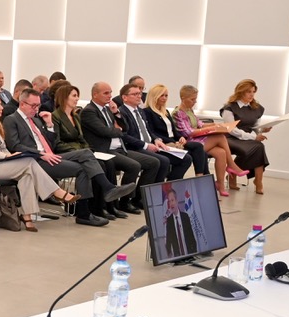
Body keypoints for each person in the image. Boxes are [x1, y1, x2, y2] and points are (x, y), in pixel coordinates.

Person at [5, 88, 131, 227]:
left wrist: (49, 125)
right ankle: (85, 212)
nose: (36, 109)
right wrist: (40, 154)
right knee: (84, 169)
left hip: (50, 156)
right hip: (34, 161)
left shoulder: (36, 120)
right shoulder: (11, 120)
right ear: (22, 104)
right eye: (33, 105)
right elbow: (15, 146)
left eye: (38, 105)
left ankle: (106, 189)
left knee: (86, 153)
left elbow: (51, 144)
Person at [0, 96, 77, 232]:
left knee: (27, 176)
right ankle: (57, 192)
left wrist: (12, 156)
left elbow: (3, 148)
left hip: (1, 163)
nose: (2, 108)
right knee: (29, 162)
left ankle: (27, 216)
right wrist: (7, 156)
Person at [81, 81, 162, 213]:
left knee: (153, 162)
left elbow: (125, 128)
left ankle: (137, 199)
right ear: (95, 95)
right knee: (134, 166)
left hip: (120, 148)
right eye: (106, 93)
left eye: (110, 93)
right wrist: (118, 130)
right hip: (105, 150)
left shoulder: (108, 109)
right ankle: (124, 202)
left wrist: (116, 112)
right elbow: (104, 131)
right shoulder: (89, 111)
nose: (110, 96)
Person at [51, 83, 123, 220]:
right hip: (65, 152)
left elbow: (82, 139)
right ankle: (100, 199)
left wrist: (86, 149)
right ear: (64, 97)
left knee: (108, 163)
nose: (77, 99)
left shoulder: (75, 116)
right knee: (98, 164)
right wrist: (80, 151)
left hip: (81, 152)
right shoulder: (55, 117)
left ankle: (103, 205)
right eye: (74, 96)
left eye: (77, 96)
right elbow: (57, 143)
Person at [173, 85, 245, 197]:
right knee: (220, 137)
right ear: (183, 98)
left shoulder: (189, 110)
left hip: (198, 140)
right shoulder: (178, 113)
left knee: (221, 153)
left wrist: (215, 125)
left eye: (195, 99)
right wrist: (210, 129)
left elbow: (199, 124)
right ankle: (231, 164)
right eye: (192, 99)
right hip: (189, 143)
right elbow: (189, 132)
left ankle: (220, 185)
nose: (195, 102)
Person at [117, 83, 192, 181]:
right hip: (136, 147)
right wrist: (146, 145)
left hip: (151, 144)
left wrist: (156, 139)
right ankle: (148, 189)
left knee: (186, 158)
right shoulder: (121, 112)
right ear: (125, 97)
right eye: (135, 94)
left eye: (140, 93)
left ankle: (169, 185)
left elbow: (148, 130)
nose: (139, 96)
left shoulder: (140, 111)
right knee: (163, 161)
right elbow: (124, 136)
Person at [142, 84, 210, 183]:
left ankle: (200, 177)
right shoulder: (147, 112)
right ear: (154, 96)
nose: (164, 98)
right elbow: (152, 132)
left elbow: (174, 131)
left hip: (174, 142)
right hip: (163, 144)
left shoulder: (165, 112)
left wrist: (180, 137)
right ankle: (174, 182)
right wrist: (174, 141)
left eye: (166, 95)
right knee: (188, 157)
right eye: (161, 95)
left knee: (199, 148)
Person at [219, 79, 271, 194]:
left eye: (253, 92)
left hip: (246, 138)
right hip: (230, 138)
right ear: (241, 92)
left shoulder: (257, 108)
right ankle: (239, 176)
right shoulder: (229, 108)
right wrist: (253, 137)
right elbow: (231, 130)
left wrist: (262, 130)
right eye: (248, 92)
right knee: (256, 147)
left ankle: (258, 181)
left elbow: (255, 127)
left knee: (259, 146)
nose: (252, 95)